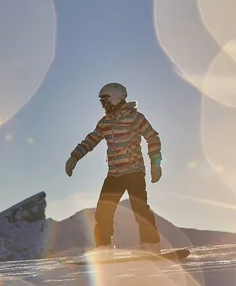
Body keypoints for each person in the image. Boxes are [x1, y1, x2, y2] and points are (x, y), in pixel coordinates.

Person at [65, 82, 163, 258]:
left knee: (139, 208)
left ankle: (151, 245)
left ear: (115, 99)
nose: (103, 105)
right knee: (103, 209)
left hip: (134, 171)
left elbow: (152, 136)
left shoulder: (134, 117)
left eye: (105, 101)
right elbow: (91, 140)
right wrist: (75, 157)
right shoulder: (105, 122)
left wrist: (155, 163)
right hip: (114, 174)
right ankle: (104, 248)